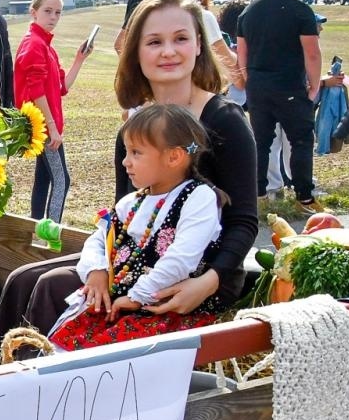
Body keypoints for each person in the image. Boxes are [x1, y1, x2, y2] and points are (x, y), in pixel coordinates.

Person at [0, 0, 257, 367]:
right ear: (136, 53)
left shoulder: (225, 121)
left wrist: (207, 282)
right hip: (133, 260)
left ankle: (28, 386)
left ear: (199, 47)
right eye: (154, 41)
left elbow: (243, 221)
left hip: (198, 274)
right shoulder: (136, 128)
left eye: (180, 39)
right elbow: (124, 219)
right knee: (22, 278)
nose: (168, 51)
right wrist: (100, 268)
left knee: (48, 286)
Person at [48, 104, 225, 350]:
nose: (125, 162)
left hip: (163, 310)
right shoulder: (132, 203)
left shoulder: (198, 198)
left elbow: (181, 259)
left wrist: (137, 295)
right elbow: (99, 238)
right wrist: (96, 271)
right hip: (119, 304)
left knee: (109, 355)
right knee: (62, 345)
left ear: (173, 157)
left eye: (136, 153)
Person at [237, 0, 322, 211]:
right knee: (301, 140)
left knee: (261, 141)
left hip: (257, 85)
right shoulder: (300, 11)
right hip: (288, 85)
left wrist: (247, 80)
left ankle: (258, 194)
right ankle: (305, 197)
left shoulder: (248, 11)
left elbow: (242, 52)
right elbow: (312, 53)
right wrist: (314, 85)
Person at [13, 0, 89, 224]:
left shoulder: (47, 46)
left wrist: (79, 59)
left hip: (46, 125)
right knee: (61, 180)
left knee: (44, 178)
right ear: (33, 12)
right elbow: (36, 91)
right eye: (47, 11)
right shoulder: (34, 44)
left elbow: (62, 86)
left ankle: (35, 228)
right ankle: (50, 232)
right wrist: (52, 128)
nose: (53, 17)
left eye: (58, 12)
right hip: (43, 126)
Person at [168, 0, 243, 89]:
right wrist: (236, 55)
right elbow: (225, 57)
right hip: (199, 85)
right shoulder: (204, 17)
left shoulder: (164, 16)